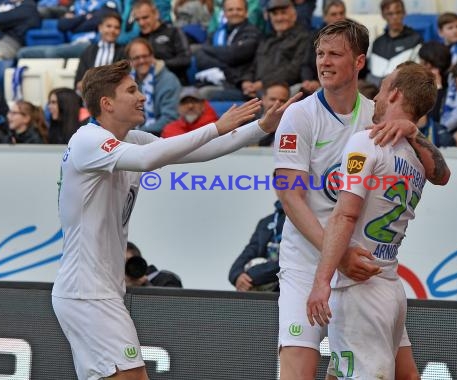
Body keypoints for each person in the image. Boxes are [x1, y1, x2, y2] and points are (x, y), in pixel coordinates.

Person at [51, 59, 300, 380]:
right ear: (107, 103)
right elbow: (147, 159)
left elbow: (200, 151)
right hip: (86, 293)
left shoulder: (133, 139)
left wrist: (262, 127)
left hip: (97, 291)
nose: (141, 96)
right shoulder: (87, 141)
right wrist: (216, 125)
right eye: (132, 90)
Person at [273, 19, 450, 380]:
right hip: (310, 259)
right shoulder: (299, 114)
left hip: (361, 267)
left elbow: (440, 175)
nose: (324, 61)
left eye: (335, 54)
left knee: (403, 374)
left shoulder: (379, 113)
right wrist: (337, 257)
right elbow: (290, 198)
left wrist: (415, 134)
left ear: (358, 62)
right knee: (299, 370)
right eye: (320, 53)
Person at [306, 61, 436, 379]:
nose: (375, 96)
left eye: (381, 89)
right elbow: (443, 174)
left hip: (358, 288)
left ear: (395, 95)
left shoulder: (367, 142)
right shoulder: (417, 156)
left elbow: (346, 214)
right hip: (389, 282)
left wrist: (321, 281)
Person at [228, 185, 284, 292]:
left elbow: (294, 262)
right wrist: (237, 275)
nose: (283, 186)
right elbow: (250, 251)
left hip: (293, 294)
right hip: (262, 299)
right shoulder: (266, 223)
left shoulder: (308, 219)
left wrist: (255, 275)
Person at [126, 37, 182, 136]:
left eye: (145, 56)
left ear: (152, 56)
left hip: (162, 135)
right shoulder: (128, 82)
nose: (142, 61)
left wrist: (139, 134)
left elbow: (170, 117)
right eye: (136, 58)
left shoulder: (169, 80)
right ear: (130, 61)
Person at [132, 0, 192, 84]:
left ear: (156, 14)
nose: (141, 23)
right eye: (137, 20)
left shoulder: (173, 32)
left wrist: (160, 63)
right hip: (146, 87)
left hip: (175, 83)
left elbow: (186, 60)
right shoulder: (137, 40)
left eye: (145, 17)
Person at [367, 0, 422, 87]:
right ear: (383, 15)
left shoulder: (415, 40)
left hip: (401, 88)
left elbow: (417, 73)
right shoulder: (377, 42)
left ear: (404, 13)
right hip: (373, 90)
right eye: (390, 14)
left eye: (398, 12)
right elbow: (370, 71)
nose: (395, 17)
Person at [75, 11, 126, 94]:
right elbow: (78, 82)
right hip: (88, 98)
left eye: (117, 27)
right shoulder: (88, 51)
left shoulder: (124, 52)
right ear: (100, 28)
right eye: (108, 26)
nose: (112, 30)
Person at [258, 81, 289, 146]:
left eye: (282, 101)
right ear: (263, 99)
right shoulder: (248, 121)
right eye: (273, 99)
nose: (277, 104)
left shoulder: (293, 126)